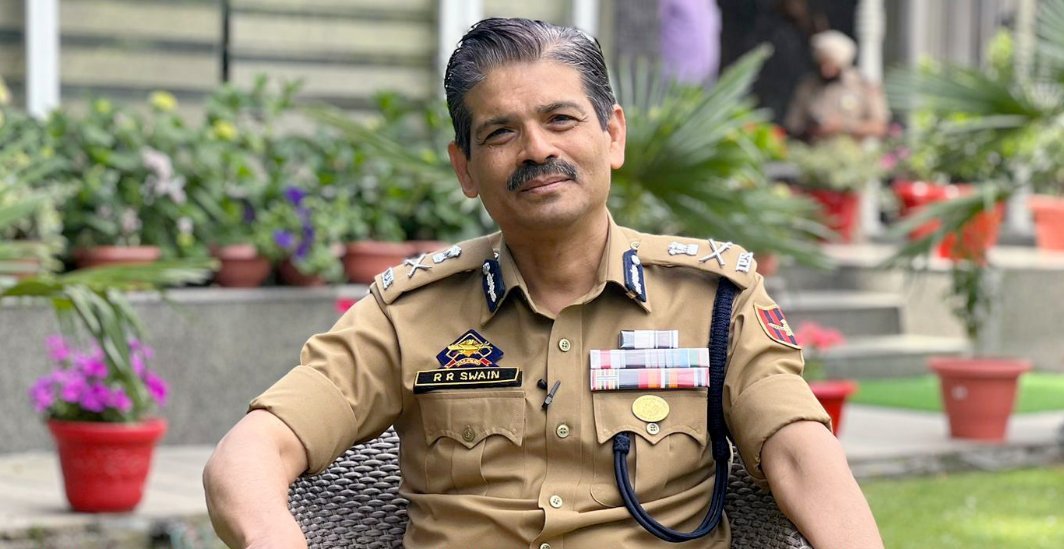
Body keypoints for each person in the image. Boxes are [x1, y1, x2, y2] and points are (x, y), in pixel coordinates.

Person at [203, 18, 883, 548]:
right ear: (465, 169)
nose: (537, 149)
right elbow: (253, 451)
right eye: (501, 132)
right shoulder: (408, 311)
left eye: (560, 119)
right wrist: (273, 536)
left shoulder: (713, 298)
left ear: (612, 135)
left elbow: (800, 454)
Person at [784, 29, 889, 142]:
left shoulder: (862, 86)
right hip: (813, 150)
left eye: (831, 65)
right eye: (822, 64)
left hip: (851, 151)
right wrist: (811, 129)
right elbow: (793, 125)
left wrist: (844, 127)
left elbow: (879, 127)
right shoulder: (808, 86)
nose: (825, 71)